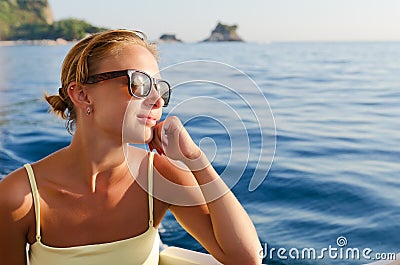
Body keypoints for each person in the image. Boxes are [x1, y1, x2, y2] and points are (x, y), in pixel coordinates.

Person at [0, 29, 262, 265]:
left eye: (160, 89)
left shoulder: (160, 176)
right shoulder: (19, 198)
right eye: (139, 84)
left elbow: (245, 258)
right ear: (82, 94)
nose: (158, 100)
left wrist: (196, 159)